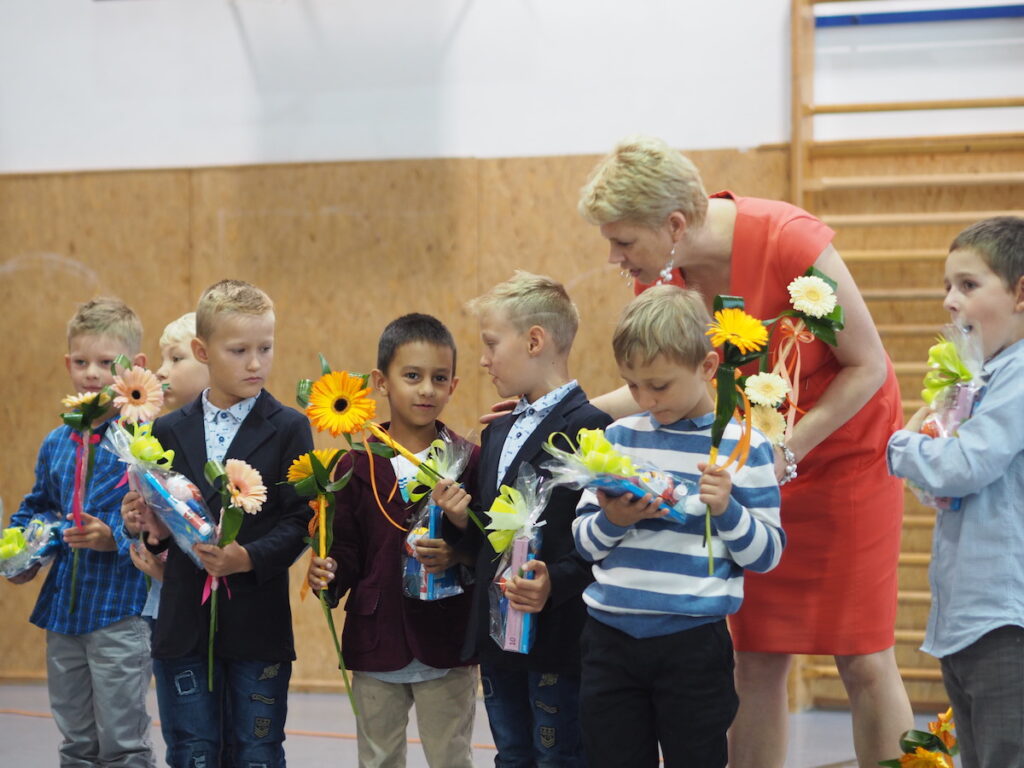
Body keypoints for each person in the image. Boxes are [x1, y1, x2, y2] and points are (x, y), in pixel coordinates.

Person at [576, 136, 913, 767]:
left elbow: (868, 366)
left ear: (675, 225)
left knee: (863, 654)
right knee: (756, 656)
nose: (615, 257)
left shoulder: (789, 241)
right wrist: (565, 412)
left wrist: (784, 453)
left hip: (839, 457)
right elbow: (660, 382)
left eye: (623, 241)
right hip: (740, 476)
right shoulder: (660, 279)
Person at [573, 285, 783, 767]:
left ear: (707, 367)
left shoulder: (744, 446)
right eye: (632, 386)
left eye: (660, 385)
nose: (646, 399)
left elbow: (767, 555)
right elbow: (583, 543)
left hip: (694, 643)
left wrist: (728, 509)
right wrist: (613, 519)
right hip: (609, 638)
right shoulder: (617, 438)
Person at [433, 271, 611, 768]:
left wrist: (555, 584)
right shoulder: (497, 431)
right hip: (498, 635)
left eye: (492, 344)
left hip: (558, 635)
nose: (484, 359)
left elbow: (600, 540)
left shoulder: (591, 428)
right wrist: (461, 521)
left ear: (535, 341)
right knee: (511, 754)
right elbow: (491, 537)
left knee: (560, 757)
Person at [133, 279, 313, 767]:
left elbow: (301, 520)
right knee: (192, 750)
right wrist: (149, 528)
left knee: (256, 751)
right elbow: (161, 528)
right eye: (239, 350)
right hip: (183, 626)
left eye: (265, 348)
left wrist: (247, 557)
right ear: (202, 351)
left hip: (258, 625)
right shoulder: (167, 429)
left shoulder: (290, 427)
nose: (255, 363)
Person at [306, 313, 480, 768]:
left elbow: (487, 547)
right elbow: (346, 548)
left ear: (453, 386)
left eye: (439, 378)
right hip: (376, 639)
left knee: (451, 757)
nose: (427, 390)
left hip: (447, 641)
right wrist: (328, 572)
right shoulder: (354, 465)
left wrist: (457, 547)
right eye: (412, 376)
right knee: (378, 758)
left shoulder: (469, 460)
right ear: (382, 382)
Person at [887, 216, 1024, 768]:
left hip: (1006, 622)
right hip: (969, 619)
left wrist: (902, 445)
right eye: (947, 286)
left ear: (1020, 294)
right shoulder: (984, 377)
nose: (950, 300)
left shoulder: (1019, 375)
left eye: (968, 285)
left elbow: (966, 465)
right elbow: (947, 487)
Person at [5, 297, 156, 767]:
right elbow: (37, 507)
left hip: (120, 612)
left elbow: (164, 518)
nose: (92, 374)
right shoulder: (57, 441)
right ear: (66, 363)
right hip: (63, 615)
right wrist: (20, 556)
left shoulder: (145, 440)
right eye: (81, 362)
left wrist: (115, 536)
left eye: (107, 363)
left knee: (123, 743)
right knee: (75, 742)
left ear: (135, 365)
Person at [120, 310, 210, 757]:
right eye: (161, 360)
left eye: (175, 359)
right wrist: (135, 522)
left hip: (209, 606)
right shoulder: (152, 437)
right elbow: (153, 526)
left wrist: (168, 571)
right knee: (184, 732)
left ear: (208, 360)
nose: (160, 371)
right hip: (165, 610)